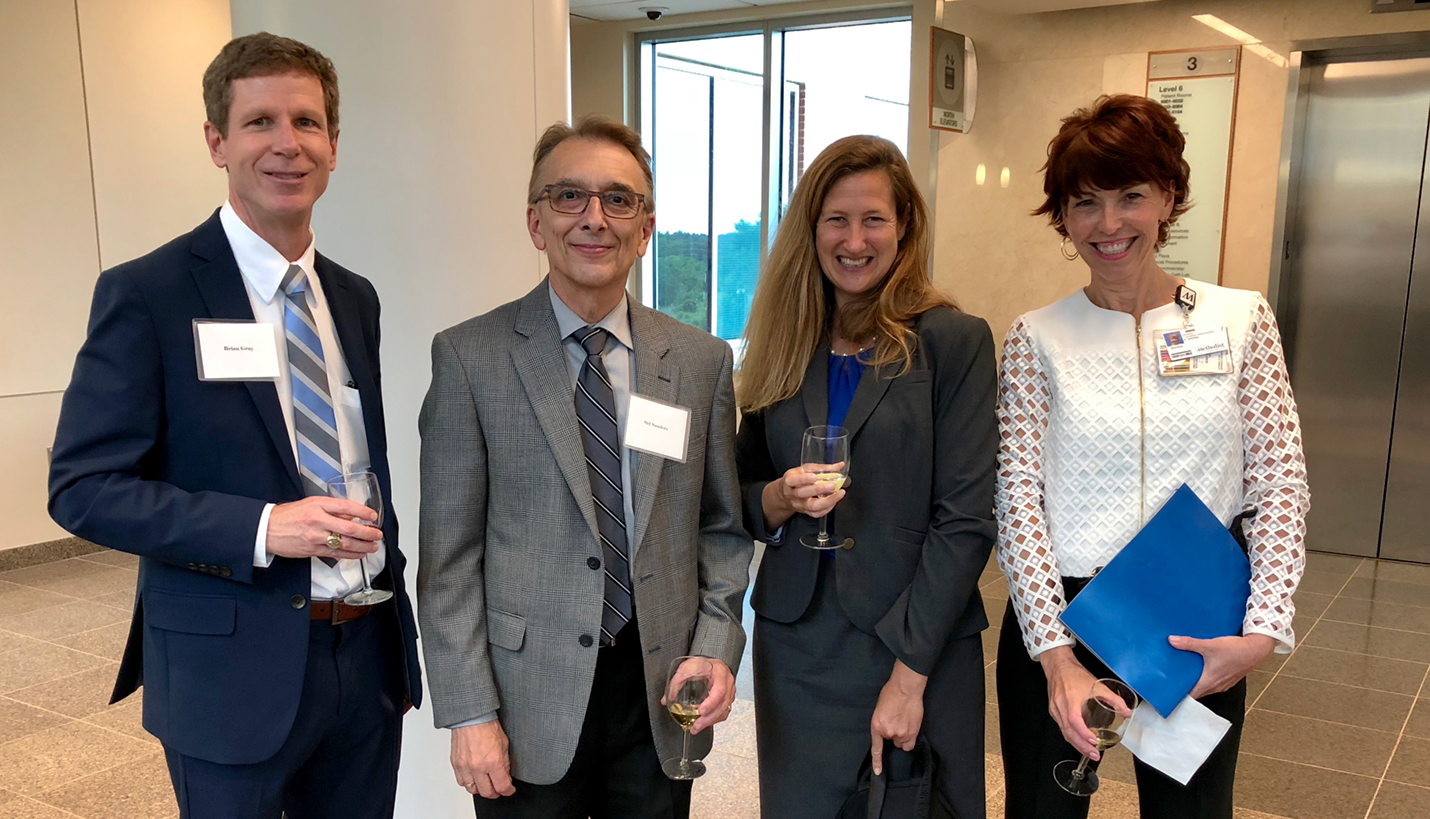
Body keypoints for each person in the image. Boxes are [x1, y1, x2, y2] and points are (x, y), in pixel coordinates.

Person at [47, 32, 421, 819]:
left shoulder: (354, 298)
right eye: (259, 123)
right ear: (217, 141)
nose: (287, 144)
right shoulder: (148, 292)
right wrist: (263, 526)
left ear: (334, 145)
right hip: (228, 669)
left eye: (306, 122)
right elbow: (82, 488)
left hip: (364, 654)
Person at [417, 115, 752, 819]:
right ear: (536, 223)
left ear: (647, 225)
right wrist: (468, 710)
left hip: (661, 687)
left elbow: (721, 528)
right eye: (569, 197)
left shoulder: (699, 362)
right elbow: (448, 562)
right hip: (523, 695)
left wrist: (718, 645)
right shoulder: (470, 357)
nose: (594, 218)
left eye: (618, 199)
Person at [995, 94, 1310, 819]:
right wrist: (1055, 656)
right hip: (1065, 618)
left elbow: (1278, 481)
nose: (1109, 224)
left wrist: (1258, 632)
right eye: (1085, 203)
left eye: (1131, 196)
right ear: (1063, 217)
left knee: (1190, 813)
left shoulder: (1240, 320)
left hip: (1193, 625)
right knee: (1046, 810)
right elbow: (1017, 496)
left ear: (1169, 197)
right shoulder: (1037, 337)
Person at [734, 135, 997, 819]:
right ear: (811, 231)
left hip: (914, 640)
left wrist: (909, 677)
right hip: (798, 646)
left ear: (905, 225)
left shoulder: (952, 341)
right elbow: (736, 492)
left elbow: (966, 519)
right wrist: (777, 497)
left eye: (873, 218)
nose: (855, 239)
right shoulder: (785, 341)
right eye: (836, 219)